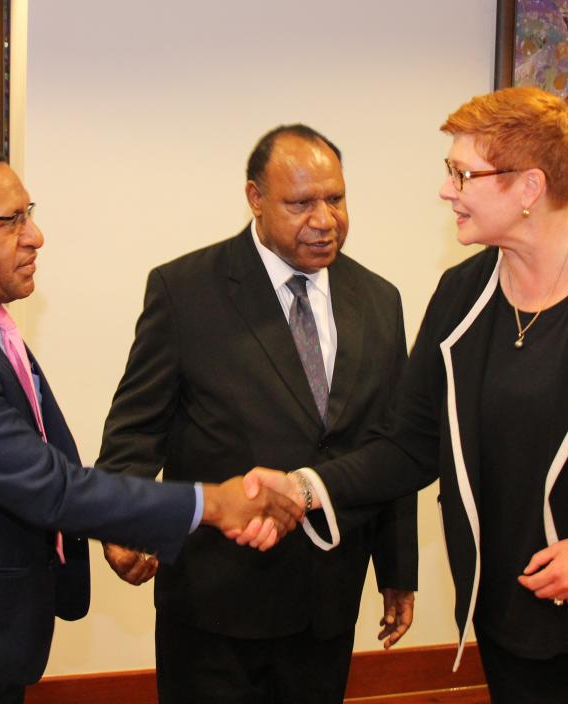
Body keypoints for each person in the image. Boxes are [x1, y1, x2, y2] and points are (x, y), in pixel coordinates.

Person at [250, 89, 568, 703]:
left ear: (528, 189)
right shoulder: (461, 296)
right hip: (520, 629)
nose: (447, 191)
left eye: (462, 174)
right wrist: (306, 488)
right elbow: (410, 444)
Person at [0, 143, 300, 704]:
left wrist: (126, 522)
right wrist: (212, 503)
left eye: (30, 213)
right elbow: (49, 486)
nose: (35, 236)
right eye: (9, 221)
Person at [96, 124, 417, 704]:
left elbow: (389, 445)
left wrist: (398, 571)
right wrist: (123, 520)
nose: (324, 219)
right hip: (215, 598)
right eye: (300, 203)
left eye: (336, 198)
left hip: (328, 596)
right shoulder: (185, 289)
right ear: (255, 198)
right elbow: (137, 425)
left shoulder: (379, 299)